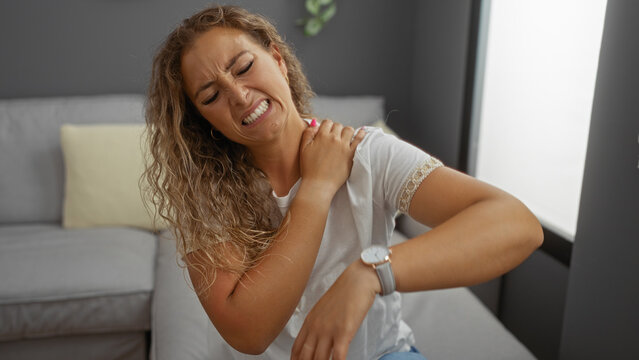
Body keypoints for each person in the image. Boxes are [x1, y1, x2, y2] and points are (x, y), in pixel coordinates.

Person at [143, 5, 543, 360]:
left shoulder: (367, 153)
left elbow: (517, 226)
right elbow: (249, 332)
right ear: (203, 122)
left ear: (277, 59)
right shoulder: (207, 198)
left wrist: (371, 273)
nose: (239, 95)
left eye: (244, 67)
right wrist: (316, 189)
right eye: (211, 95)